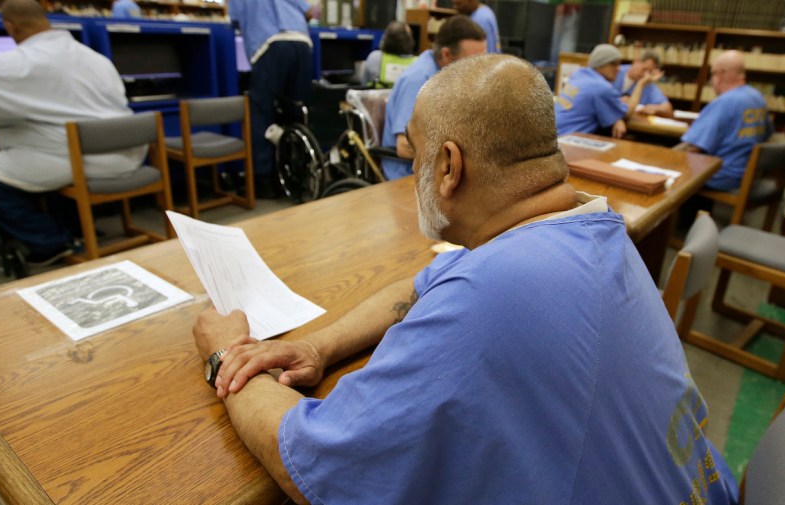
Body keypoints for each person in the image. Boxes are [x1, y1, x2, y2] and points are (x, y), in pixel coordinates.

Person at [192, 54, 739, 505]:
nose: (411, 173)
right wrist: (316, 346)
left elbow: (307, 462)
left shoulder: (491, 297)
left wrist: (226, 353)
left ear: (449, 167)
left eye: (414, 153)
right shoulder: (587, 231)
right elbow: (419, 285)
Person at [0, 0, 144, 264]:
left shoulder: (22, 61)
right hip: (125, 150)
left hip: (81, 161)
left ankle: (50, 243)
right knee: (47, 161)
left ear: (10, 26)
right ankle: (77, 228)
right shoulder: (96, 58)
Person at [381, 15, 485, 180]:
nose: (480, 69)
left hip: (440, 170)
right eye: (473, 61)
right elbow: (403, 145)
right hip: (409, 174)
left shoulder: (450, 74)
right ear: (446, 54)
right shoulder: (418, 80)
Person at [228, 0, 313, 199]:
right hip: (302, 42)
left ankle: (264, 180)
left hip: (269, 44)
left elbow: (234, 20)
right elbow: (308, 11)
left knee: (261, 114)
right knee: (296, 112)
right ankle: (297, 174)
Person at [679, 50, 772, 191]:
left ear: (720, 74)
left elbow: (693, 146)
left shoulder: (725, 102)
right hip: (747, 174)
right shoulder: (757, 97)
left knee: (677, 165)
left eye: (712, 74)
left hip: (722, 175)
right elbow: (767, 134)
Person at [555, 43, 659, 139]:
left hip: (551, 135)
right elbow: (627, 113)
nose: (618, 69)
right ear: (601, 65)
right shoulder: (600, 87)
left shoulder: (579, 74)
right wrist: (641, 84)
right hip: (565, 141)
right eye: (614, 65)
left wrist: (615, 116)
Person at [614, 48, 672, 117]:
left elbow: (668, 109)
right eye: (644, 69)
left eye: (649, 72)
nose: (646, 75)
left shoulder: (647, 82)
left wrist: (656, 108)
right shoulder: (615, 72)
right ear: (636, 61)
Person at [359, 20, 416, 87]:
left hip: (378, 97)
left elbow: (363, 84)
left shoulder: (374, 57)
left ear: (386, 38)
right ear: (409, 40)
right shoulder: (417, 63)